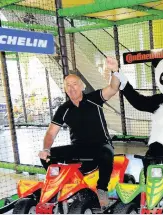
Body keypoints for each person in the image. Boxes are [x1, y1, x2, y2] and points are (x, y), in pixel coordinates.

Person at [38, 57, 120, 208]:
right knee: (46, 156)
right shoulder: (64, 109)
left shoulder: (94, 98)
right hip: (78, 148)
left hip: (100, 146)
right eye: (68, 85)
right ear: (65, 89)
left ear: (82, 86)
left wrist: (115, 70)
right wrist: (46, 149)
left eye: (75, 84)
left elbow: (113, 88)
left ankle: (102, 189)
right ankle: (61, 186)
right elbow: (50, 134)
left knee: (107, 152)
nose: (71, 88)